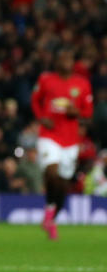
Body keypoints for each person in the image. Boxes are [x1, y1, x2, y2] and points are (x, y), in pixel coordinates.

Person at [31, 50, 93, 240]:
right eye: (62, 58)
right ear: (56, 61)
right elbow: (35, 100)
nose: (65, 61)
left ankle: (50, 217)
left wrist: (77, 112)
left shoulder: (82, 84)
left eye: (68, 58)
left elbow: (88, 112)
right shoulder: (46, 79)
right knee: (51, 172)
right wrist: (42, 118)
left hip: (71, 140)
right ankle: (50, 214)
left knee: (64, 182)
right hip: (49, 135)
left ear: (73, 62)